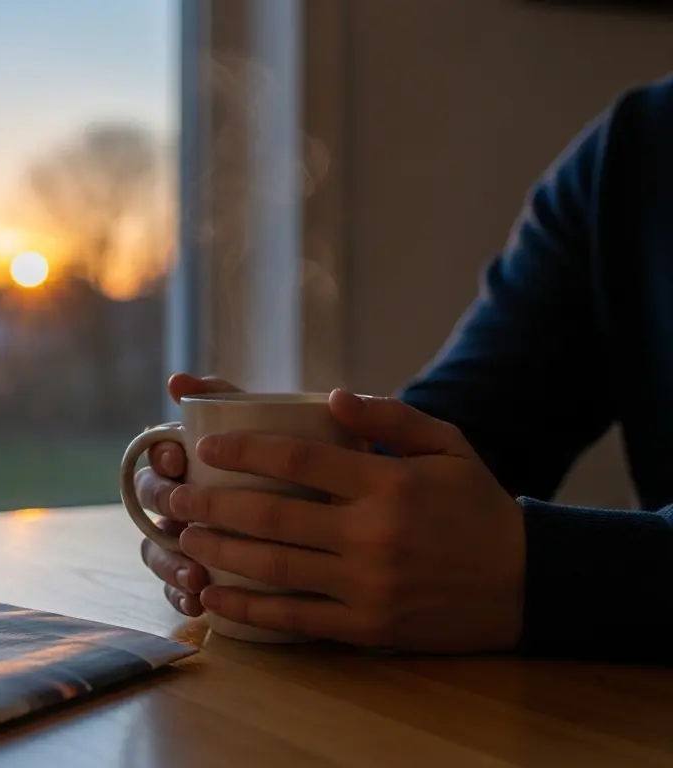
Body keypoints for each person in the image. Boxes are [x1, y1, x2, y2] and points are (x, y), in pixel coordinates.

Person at [133, 74, 673, 663]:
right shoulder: (634, 155)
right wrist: (285, 498)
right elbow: (468, 426)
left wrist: (541, 573)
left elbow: (513, 564)